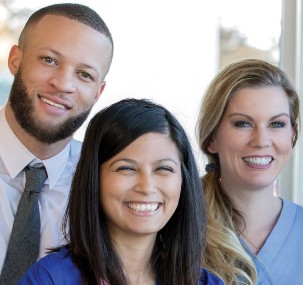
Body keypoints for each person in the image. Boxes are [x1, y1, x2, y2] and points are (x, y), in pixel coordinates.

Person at [17, 98, 223, 285]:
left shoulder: (206, 282)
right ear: (94, 178)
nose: (147, 187)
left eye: (163, 169)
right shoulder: (49, 278)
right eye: (127, 168)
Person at [0, 2, 114, 282]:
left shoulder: (105, 187)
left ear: (98, 92)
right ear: (15, 59)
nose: (63, 84)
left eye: (84, 74)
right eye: (49, 60)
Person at [197, 58, 302, 285]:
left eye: (277, 124)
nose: (261, 140)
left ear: (293, 136)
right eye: (243, 124)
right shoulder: (176, 227)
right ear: (212, 137)